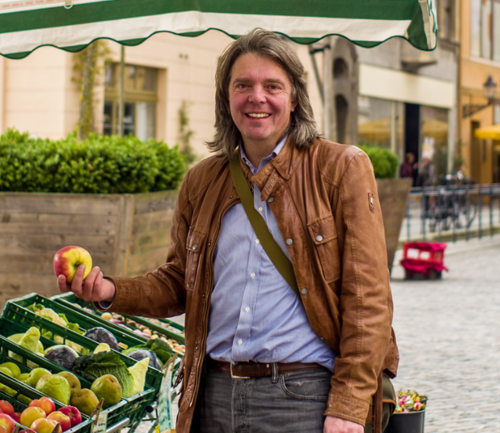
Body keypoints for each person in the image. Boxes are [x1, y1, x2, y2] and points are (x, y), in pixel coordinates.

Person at [58, 29, 398, 433]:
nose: (257, 97)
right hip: (211, 396)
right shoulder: (202, 180)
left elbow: (368, 300)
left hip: (301, 397)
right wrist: (111, 291)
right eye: (243, 85)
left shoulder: (339, 169)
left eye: (272, 85)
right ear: (226, 98)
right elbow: (179, 282)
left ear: (294, 98)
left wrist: (348, 406)